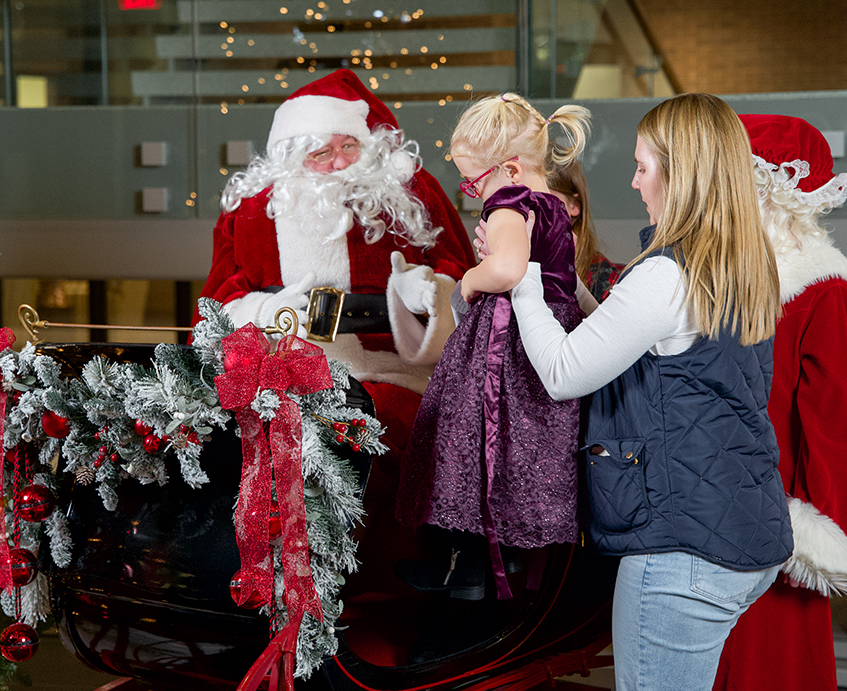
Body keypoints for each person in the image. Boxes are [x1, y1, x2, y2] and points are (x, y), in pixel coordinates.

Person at [506, 92, 794, 691]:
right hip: (741, 530)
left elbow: (563, 372)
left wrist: (524, 281)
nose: (635, 183)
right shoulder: (740, 264)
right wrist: (565, 280)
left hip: (681, 550)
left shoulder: (665, 274)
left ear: (680, 172)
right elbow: (628, 334)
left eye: (642, 166)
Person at [198, 69, 476, 588]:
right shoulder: (253, 211)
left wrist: (428, 293)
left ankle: (380, 591)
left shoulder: (407, 192)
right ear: (290, 154)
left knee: (377, 444)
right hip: (282, 380)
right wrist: (265, 310)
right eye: (320, 154)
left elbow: (461, 275)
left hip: (396, 374)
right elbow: (218, 301)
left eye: (349, 146)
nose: (339, 164)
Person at [396, 93, 592, 604]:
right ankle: (508, 557)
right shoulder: (552, 206)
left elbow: (506, 269)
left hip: (505, 347)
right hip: (543, 341)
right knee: (521, 455)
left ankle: (465, 568)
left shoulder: (508, 205)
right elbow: (568, 285)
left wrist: (468, 281)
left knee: (469, 444)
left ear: (507, 167)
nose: (470, 193)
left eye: (471, 182)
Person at [712, 114, 847, 691]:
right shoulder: (725, 278)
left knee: (767, 677)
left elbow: (831, 428)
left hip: (775, 522)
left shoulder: (824, 292)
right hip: (708, 510)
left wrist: (812, 527)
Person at [545, 160, 621, 301]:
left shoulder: (603, 277)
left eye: (546, 200)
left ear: (574, 205)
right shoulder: (510, 264)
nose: (533, 210)